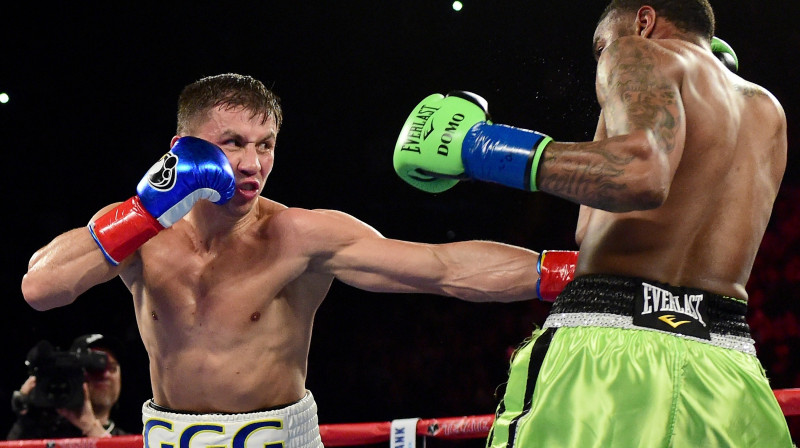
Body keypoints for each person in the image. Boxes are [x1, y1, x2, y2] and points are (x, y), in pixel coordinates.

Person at [21, 73, 579, 448]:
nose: (251, 162)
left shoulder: (298, 234)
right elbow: (42, 287)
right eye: (232, 142)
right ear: (181, 147)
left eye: (265, 144)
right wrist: (145, 210)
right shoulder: (143, 233)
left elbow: (443, 268)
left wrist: (572, 276)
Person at [392, 1, 791, 446]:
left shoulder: (639, 52)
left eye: (602, 47)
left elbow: (641, 174)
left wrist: (481, 148)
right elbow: (591, 229)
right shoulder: (767, 109)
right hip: (729, 368)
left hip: (608, 351)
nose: (603, 63)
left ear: (644, 21)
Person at [7, 334, 127, 439]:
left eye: (112, 368)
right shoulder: (43, 434)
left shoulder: (135, 440)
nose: (105, 374)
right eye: (94, 368)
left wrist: (92, 429)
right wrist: (25, 414)